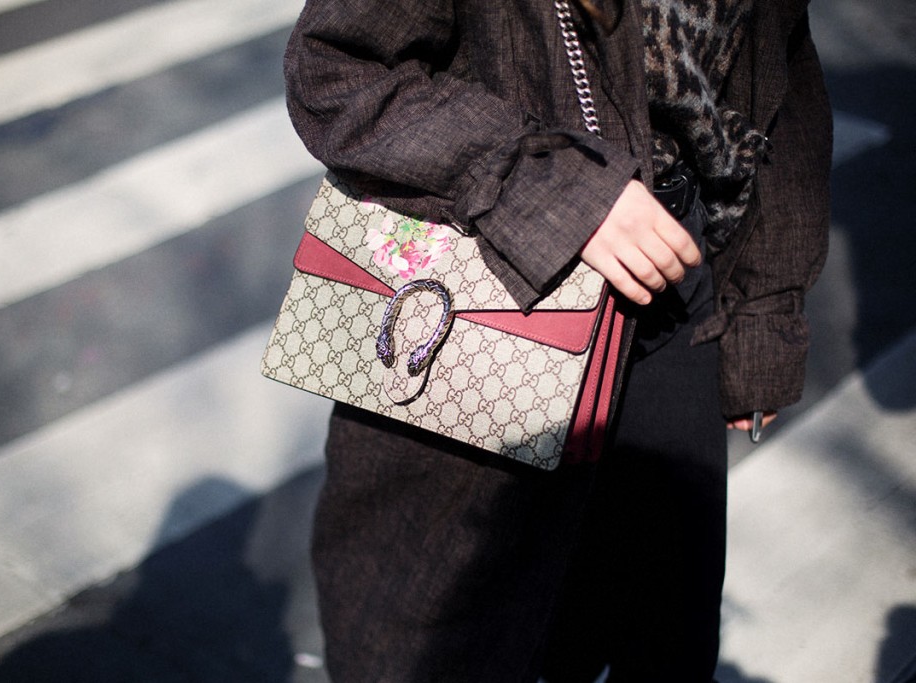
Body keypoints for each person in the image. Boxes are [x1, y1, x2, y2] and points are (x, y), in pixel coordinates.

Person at [283, 0, 831, 680]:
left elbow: (784, 73)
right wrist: (558, 192)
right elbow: (335, 66)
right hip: (494, 294)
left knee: (652, 634)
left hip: (673, 292)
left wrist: (765, 307)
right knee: (446, 635)